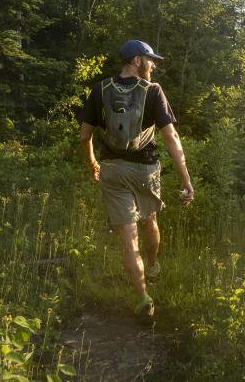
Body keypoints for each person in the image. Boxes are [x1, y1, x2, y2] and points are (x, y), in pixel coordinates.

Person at [77, 40, 194, 319]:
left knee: (128, 239)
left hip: (112, 170)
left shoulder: (100, 89)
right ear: (137, 60)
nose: (153, 65)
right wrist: (185, 179)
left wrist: (92, 162)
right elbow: (170, 137)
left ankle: (143, 298)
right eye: (150, 59)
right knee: (150, 221)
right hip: (145, 170)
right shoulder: (153, 91)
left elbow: (84, 136)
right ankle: (152, 265)